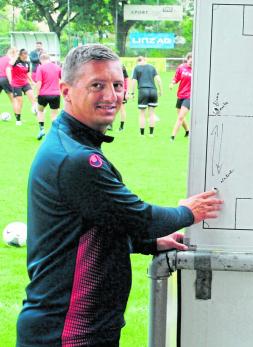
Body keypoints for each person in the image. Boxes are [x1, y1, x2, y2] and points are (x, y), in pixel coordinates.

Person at [16, 44, 224, 347]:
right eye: (97, 85)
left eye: (117, 85)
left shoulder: (72, 146)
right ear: (66, 90)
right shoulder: (75, 159)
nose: (111, 95)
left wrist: (148, 244)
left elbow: (94, 224)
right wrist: (188, 211)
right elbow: (138, 217)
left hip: (78, 329)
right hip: (67, 333)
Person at [130, 56, 162, 137]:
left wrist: (132, 93)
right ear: (145, 60)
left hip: (143, 91)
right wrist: (160, 90)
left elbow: (133, 81)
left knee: (142, 114)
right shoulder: (152, 67)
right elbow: (159, 80)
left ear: (138, 61)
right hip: (153, 91)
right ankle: (151, 134)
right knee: (152, 113)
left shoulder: (136, 68)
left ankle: (142, 134)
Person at [33, 53, 62, 140]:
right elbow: (62, 79)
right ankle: (55, 133)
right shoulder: (57, 67)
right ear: (49, 59)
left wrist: (36, 94)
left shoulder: (40, 67)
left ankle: (42, 129)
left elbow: (39, 82)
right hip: (56, 94)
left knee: (40, 110)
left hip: (43, 94)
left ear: (40, 60)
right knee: (54, 115)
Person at [7, 48, 37, 126]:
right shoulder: (15, 61)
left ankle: (35, 110)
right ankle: (18, 120)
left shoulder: (27, 63)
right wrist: (16, 55)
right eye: (24, 54)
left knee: (33, 98)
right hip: (16, 84)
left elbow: (27, 73)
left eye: (27, 54)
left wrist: (32, 81)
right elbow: (10, 63)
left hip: (25, 83)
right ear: (20, 55)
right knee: (20, 102)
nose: (26, 55)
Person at [169, 52, 192, 141]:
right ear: (187, 59)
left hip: (189, 96)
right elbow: (176, 78)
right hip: (181, 95)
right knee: (179, 115)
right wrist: (172, 83)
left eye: (193, 62)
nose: (191, 63)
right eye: (190, 61)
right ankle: (187, 131)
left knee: (180, 117)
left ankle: (172, 137)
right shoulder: (181, 67)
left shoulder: (197, 69)